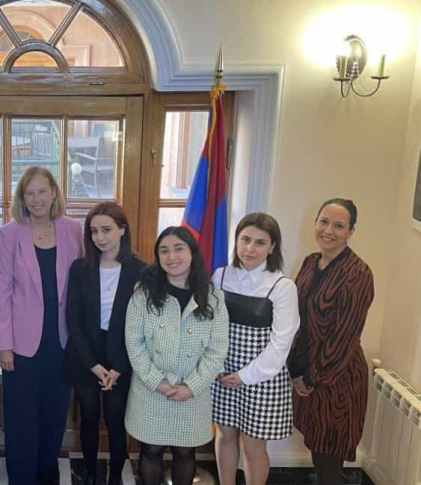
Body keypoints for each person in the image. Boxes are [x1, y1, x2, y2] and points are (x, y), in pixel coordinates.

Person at [0, 166, 83, 485]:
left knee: (54, 413)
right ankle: (21, 477)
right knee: (21, 416)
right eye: (29, 193)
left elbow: (84, 282)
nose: (36, 198)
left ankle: (46, 473)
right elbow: (2, 292)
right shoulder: (9, 233)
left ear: (54, 193)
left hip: (62, 341)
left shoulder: (74, 230)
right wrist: (4, 344)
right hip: (20, 344)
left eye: (42, 191)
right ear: (22, 198)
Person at [124, 226, 228, 485]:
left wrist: (191, 387)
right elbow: (134, 344)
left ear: (192, 252)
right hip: (151, 390)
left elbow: (217, 350)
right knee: (150, 450)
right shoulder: (143, 294)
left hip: (192, 393)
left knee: (185, 452)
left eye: (178, 249)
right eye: (164, 251)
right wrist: (157, 382)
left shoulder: (214, 298)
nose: (171, 256)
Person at [287, 198, 374, 485]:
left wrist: (311, 377)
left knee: (328, 457)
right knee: (318, 449)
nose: (328, 230)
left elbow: (344, 336)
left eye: (339, 225)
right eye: (323, 221)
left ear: (351, 231)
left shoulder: (358, 273)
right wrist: (295, 368)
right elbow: (296, 317)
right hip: (307, 371)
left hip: (338, 380)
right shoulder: (310, 262)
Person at [211, 213, 299, 485]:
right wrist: (218, 367)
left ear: (272, 247)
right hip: (223, 372)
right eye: (245, 239)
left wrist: (245, 376)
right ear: (236, 241)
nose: (250, 248)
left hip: (262, 377)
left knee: (252, 445)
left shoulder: (282, 286)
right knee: (224, 435)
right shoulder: (220, 276)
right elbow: (209, 326)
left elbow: (281, 343)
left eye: (260, 242)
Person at [64, 202, 144, 485]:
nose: (100, 237)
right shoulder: (80, 268)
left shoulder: (141, 271)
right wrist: (93, 365)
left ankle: (115, 477)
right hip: (86, 356)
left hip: (122, 356)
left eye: (106, 230)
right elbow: (73, 321)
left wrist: (119, 367)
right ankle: (89, 474)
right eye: (94, 231)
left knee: (115, 420)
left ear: (122, 230)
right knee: (88, 416)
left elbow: (142, 326)